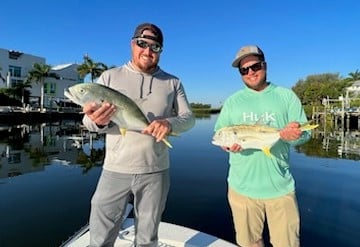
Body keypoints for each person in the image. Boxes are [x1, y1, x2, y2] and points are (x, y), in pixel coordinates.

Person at [82, 23, 195, 247]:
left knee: (147, 237)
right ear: (133, 44)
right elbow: (88, 121)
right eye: (142, 44)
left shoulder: (173, 82)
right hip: (115, 169)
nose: (148, 51)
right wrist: (97, 121)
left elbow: (189, 118)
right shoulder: (109, 77)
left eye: (155, 46)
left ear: (161, 50)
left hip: (156, 171)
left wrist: (169, 124)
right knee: (100, 236)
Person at [214, 45, 312, 247]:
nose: (250, 72)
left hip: (280, 188)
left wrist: (293, 135)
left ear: (264, 65)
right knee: (249, 243)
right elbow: (220, 136)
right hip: (242, 190)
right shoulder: (233, 102)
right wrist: (227, 146)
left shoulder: (286, 96)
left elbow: (306, 134)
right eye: (244, 70)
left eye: (255, 66)